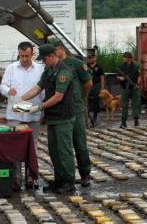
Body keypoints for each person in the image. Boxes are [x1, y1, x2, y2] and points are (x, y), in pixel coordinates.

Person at [21, 44, 76, 194]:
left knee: (64, 151)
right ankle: (59, 179)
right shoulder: (48, 70)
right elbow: (38, 88)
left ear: (52, 56)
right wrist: (20, 99)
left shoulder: (64, 72)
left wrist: (39, 107)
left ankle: (69, 181)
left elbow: (58, 97)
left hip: (63, 117)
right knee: (54, 151)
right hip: (52, 118)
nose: (43, 62)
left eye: (44, 59)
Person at [47, 37, 92, 187]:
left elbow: (88, 83)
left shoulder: (76, 64)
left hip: (76, 109)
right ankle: (61, 177)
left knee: (79, 143)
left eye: (53, 50)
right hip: (61, 111)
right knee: (61, 146)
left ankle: (85, 173)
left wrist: (79, 98)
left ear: (61, 48)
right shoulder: (51, 67)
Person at [0, 42, 44, 191]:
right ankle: (16, 180)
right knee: (15, 148)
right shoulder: (11, 68)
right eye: (21, 55)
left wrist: (42, 111)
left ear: (33, 54)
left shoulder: (40, 69)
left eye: (26, 55)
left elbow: (43, 91)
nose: (24, 58)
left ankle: (32, 178)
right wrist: (8, 90)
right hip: (15, 114)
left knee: (33, 147)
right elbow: (2, 86)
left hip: (33, 113)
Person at [117, 52, 141, 128]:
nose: (123, 58)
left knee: (135, 105)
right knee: (124, 105)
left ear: (129, 58)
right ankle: (123, 122)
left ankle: (136, 120)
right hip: (125, 88)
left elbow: (139, 76)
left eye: (125, 57)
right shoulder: (121, 66)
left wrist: (137, 84)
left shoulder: (136, 66)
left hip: (134, 88)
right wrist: (121, 78)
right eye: (123, 57)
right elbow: (117, 76)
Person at [86, 52, 104, 127]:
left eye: (91, 58)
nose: (89, 59)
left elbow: (102, 78)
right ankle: (87, 116)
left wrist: (102, 88)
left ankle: (95, 116)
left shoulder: (99, 67)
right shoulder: (86, 66)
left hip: (96, 84)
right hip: (88, 84)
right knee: (86, 99)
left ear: (94, 58)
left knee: (96, 99)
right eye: (88, 58)